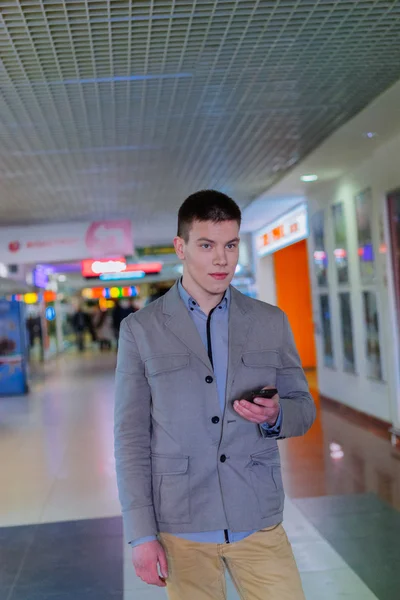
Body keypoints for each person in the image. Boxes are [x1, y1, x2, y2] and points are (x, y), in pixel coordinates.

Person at [114, 190, 316, 600]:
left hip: (256, 517)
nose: (221, 259)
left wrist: (277, 414)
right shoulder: (141, 330)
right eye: (206, 245)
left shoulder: (269, 321)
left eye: (230, 244)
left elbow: (304, 409)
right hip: (181, 525)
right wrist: (140, 535)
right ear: (181, 247)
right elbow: (130, 438)